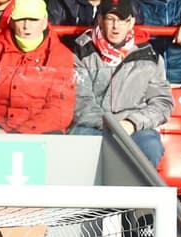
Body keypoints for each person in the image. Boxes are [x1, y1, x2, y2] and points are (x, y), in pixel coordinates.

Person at [71, 0, 174, 168]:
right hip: (92, 124)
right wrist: (108, 124)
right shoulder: (81, 52)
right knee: (78, 143)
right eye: (110, 19)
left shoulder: (149, 56)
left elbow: (163, 102)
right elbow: (80, 100)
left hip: (133, 126)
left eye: (122, 20)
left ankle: (138, 194)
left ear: (131, 22)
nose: (115, 26)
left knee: (150, 147)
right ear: (100, 20)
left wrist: (132, 123)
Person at [0, 0, 76, 135]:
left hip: (40, 135)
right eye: (21, 19)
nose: (26, 26)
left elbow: (60, 109)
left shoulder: (61, 56)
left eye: (33, 20)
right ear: (12, 21)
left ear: (44, 22)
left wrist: (22, 134)